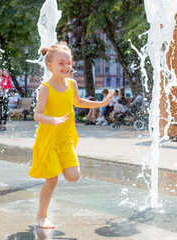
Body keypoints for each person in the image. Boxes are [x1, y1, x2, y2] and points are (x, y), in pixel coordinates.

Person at [29, 41, 115, 229]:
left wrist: (101, 104)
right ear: (49, 65)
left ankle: (57, 164)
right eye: (61, 63)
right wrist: (52, 119)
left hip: (66, 138)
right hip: (49, 139)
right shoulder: (46, 88)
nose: (66, 66)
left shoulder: (72, 84)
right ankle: (41, 216)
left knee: (73, 176)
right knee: (52, 180)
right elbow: (37, 114)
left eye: (69, 63)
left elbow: (78, 101)